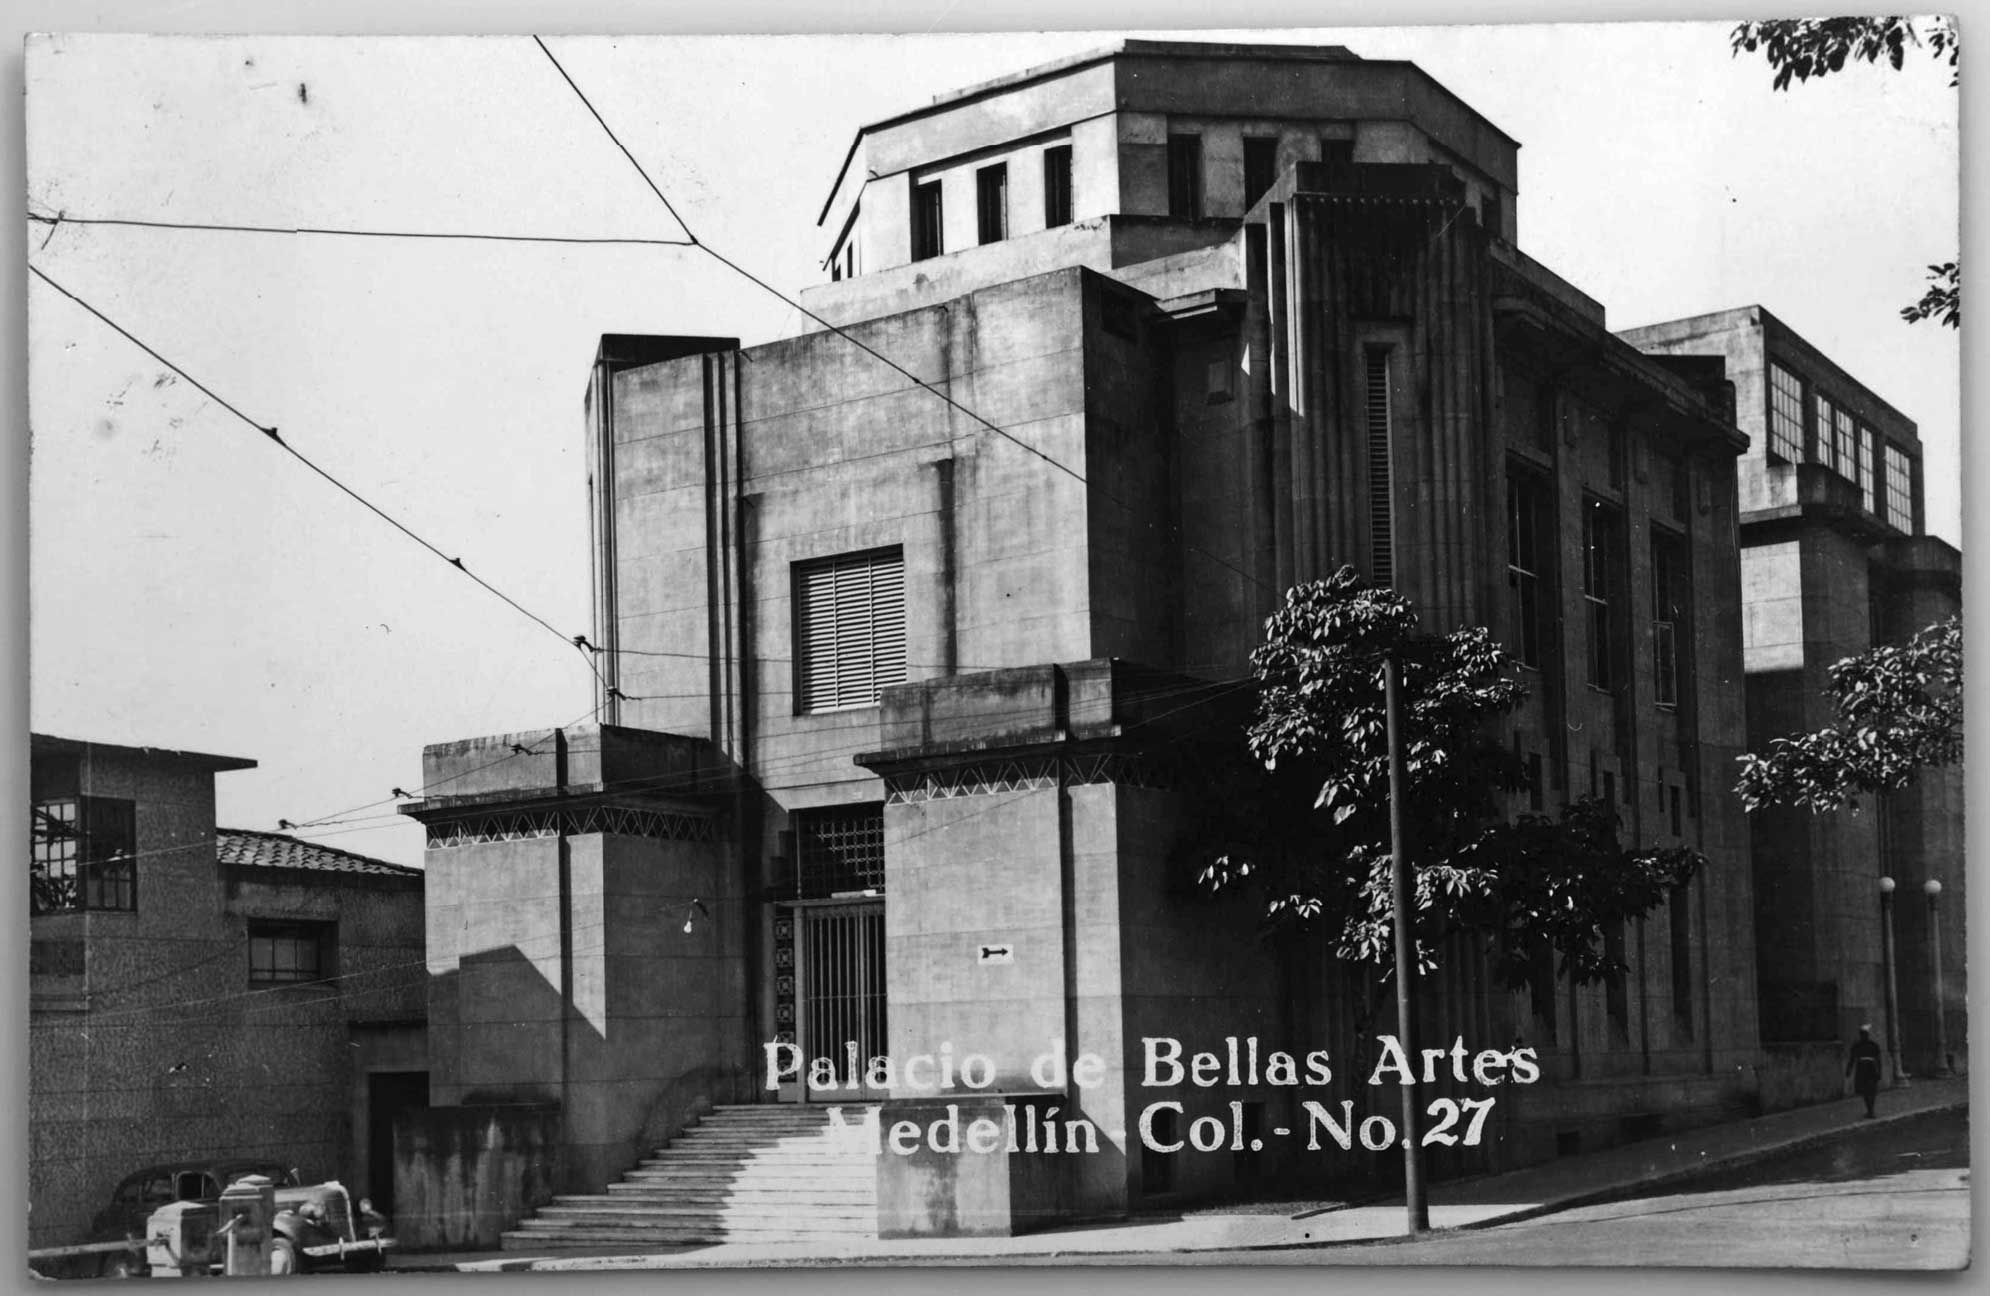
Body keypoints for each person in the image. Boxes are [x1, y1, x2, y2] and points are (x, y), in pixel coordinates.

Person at [1846, 1024, 1884, 1118]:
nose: (1864, 1036)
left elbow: (1878, 1059)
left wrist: (1879, 1071)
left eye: (1865, 1034)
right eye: (1863, 1034)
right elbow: (1852, 1058)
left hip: (1869, 1068)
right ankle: (1870, 1110)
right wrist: (1849, 1070)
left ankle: (1870, 1110)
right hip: (1865, 1068)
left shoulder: (1871, 1045)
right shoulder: (1860, 1045)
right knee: (1866, 1091)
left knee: (1870, 1090)